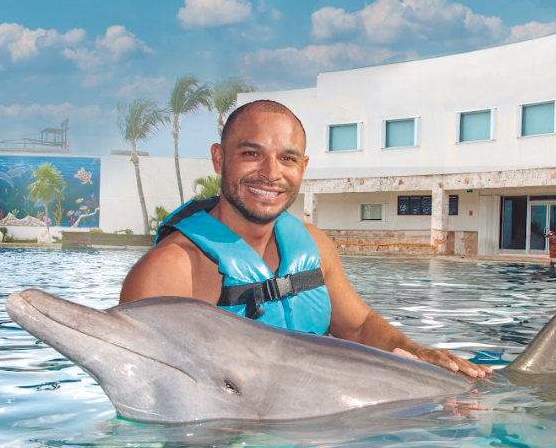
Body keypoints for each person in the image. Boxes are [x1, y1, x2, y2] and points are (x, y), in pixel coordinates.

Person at [120, 99, 491, 379]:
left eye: (287, 159)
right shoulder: (170, 269)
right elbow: (147, 387)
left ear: (303, 167)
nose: (270, 173)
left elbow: (358, 327)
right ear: (219, 159)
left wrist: (416, 351)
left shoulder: (313, 245)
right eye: (251, 154)